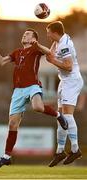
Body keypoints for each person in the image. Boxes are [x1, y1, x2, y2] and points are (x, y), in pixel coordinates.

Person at [0, 28, 68, 169]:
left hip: (32, 86)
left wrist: (38, 45)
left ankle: (58, 115)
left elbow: (49, 52)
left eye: (28, 34)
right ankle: (6, 157)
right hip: (18, 90)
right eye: (24, 34)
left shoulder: (36, 49)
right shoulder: (17, 52)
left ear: (33, 39)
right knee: (12, 124)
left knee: (37, 107)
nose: (25, 34)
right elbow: (0, 62)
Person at [45, 21, 84, 167]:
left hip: (71, 80)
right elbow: (50, 53)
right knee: (60, 117)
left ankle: (75, 149)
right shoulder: (60, 40)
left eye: (48, 32)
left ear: (54, 32)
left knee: (67, 116)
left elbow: (68, 66)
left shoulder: (64, 44)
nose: (47, 35)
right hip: (65, 81)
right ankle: (60, 151)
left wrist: (53, 60)